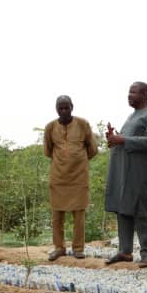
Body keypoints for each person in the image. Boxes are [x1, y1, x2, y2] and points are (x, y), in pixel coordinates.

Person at [104, 82, 147, 268]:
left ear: (145, 94)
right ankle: (125, 251)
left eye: (133, 92)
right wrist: (115, 138)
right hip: (122, 169)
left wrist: (123, 139)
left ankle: (146, 254)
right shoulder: (131, 116)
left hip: (139, 171)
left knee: (140, 210)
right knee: (123, 209)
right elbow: (127, 139)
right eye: (129, 92)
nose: (129, 95)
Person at [44, 95, 98, 261]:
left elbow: (93, 149)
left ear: (72, 107)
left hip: (79, 177)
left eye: (67, 107)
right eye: (60, 108)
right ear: (56, 109)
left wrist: (78, 160)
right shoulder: (50, 127)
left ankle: (78, 248)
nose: (64, 111)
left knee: (79, 214)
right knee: (57, 215)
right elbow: (47, 151)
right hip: (58, 176)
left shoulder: (83, 124)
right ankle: (59, 247)